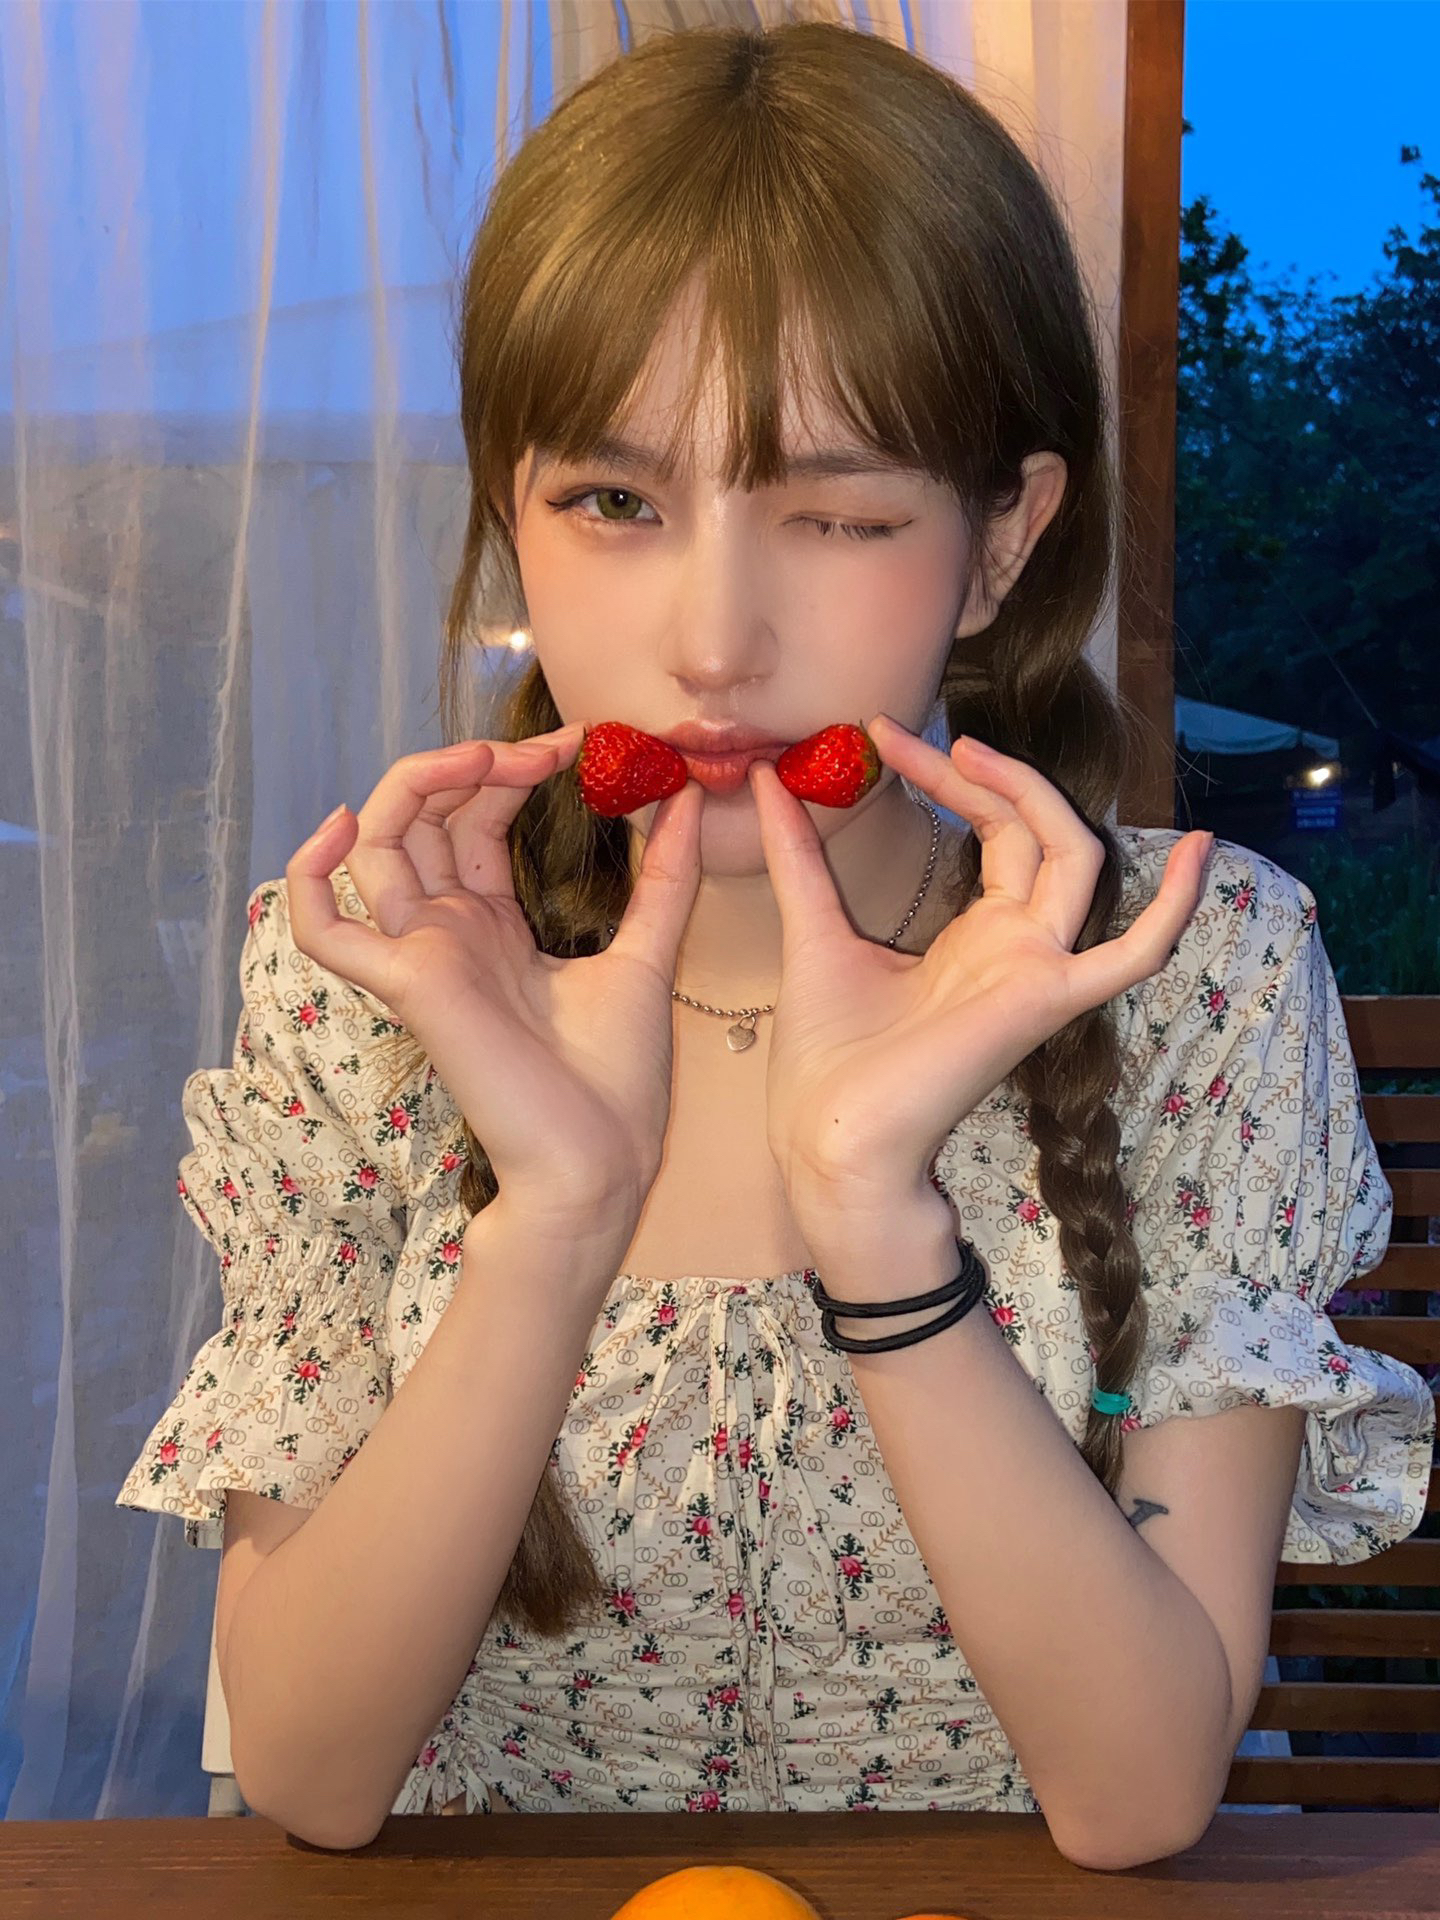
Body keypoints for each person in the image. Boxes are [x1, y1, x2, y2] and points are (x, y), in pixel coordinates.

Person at [116, 19, 1434, 1857]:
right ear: (511, 512)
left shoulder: (1193, 972)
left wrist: (877, 1219)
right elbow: (314, 1776)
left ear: (1000, 542)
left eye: (835, 514)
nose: (713, 642)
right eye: (613, 503)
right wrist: (556, 1217)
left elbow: (1139, 1797)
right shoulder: (373, 970)